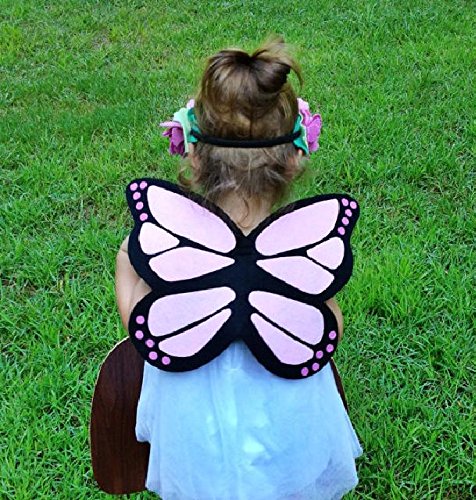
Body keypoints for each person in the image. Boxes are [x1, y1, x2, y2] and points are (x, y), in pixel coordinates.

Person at [115, 37, 362, 500]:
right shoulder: (301, 248)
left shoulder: (166, 249)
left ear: (192, 155)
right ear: (295, 160)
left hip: (194, 428)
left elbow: (138, 324)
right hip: (286, 417)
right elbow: (330, 327)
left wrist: (129, 262)